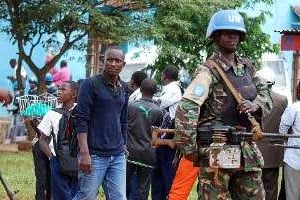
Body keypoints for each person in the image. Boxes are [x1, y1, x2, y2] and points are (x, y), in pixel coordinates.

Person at [174, 9, 272, 199]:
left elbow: (266, 94)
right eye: (227, 33)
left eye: (236, 33)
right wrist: (191, 149)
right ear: (216, 37)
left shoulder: (248, 68)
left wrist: (255, 105)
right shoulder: (207, 71)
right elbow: (187, 108)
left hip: (247, 152)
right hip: (217, 152)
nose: (233, 37)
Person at [74, 46, 128, 200]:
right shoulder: (90, 84)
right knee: (87, 197)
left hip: (117, 155)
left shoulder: (124, 88)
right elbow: (81, 119)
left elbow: (123, 120)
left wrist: (124, 145)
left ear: (123, 64)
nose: (113, 63)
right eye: (109, 59)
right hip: (94, 154)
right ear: (103, 61)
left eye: (117, 61)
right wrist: (84, 153)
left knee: (119, 197)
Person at [38, 81, 79, 200]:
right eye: (58, 89)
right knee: (61, 195)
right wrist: (51, 157)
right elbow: (42, 139)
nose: (59, 92)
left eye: (63, 89)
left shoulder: (82, 111)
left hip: (79, 159)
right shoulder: (51, 113)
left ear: (74, 94)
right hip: (58, 160)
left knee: (77, 193)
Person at [126, 78, 163, 200]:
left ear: (140, 89)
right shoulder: (158, 111)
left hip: (129, 152)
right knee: (144, 187)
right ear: (155, 91)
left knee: (123, 184)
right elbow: (157, 133)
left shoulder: (130, 106)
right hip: (148, 154)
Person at [255, 69, 288, 200]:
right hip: (274, 151)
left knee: (250, 189)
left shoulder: (250, 100)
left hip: (252, 152)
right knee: (271, 188)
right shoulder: (282, 100)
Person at [152, 65, 182, 200]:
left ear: (164, 75)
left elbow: (159, 103)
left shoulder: (173, 89)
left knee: (166, 173)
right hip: (163, 136)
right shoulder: (170, 89)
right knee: (159, 172)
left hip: (169, 136)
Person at [279, 81, 300, 200]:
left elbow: (282, 129)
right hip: (294, 158)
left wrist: (288, 141)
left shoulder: (294, 108)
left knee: (292, 195)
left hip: (293, 158)